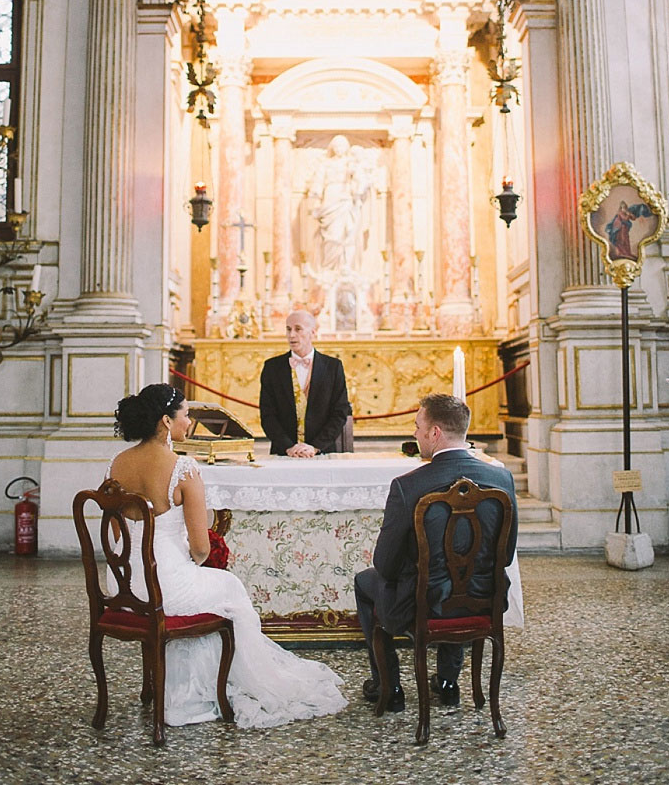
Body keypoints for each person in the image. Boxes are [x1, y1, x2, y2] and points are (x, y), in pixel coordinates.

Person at [107, 383, 346, 728]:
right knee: (230, 589)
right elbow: (201, 548)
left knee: (212, 589)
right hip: (164, 584)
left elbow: (117, 535)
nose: (189, 422)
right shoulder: (182, 468)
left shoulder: (116, 463)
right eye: (185, 415)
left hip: (122, 583)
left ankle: (186, 685)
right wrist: (191, 565)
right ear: (165, 421)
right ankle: (226, 685)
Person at [354, 393, 518, 713]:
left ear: (435, 433)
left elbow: (384, 565)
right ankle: (447, 682)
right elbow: (507, 555)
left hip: (422, 605)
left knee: (366, 582)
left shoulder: (408, 485)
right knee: (456, 583)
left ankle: (389, 687)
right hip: (486, 598)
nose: (415, 434)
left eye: (418, 427)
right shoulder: (502, 478)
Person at [259, 309, 350, 457]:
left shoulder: (333, 367)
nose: (291, 335)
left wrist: (315, 447)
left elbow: (339, 413)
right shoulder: (272, 368)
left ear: (313, 333)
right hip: (283, 454)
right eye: (288, 329)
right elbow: (268, 415)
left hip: (322, 453)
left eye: (298, 329)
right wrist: (288, 447)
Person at [308, 135, 372, 272]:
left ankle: (346, 266)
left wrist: (357, 183)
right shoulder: (325, 164)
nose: (339, 149)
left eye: (342, 146)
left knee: (348, 232)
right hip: (331, 196)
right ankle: (329, 269)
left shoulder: (351, 164)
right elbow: (318, 183)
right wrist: (316, 201)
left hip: (346, 199)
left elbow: (362, 182)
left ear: (347, 148)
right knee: (332, 235)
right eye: (336, 146)